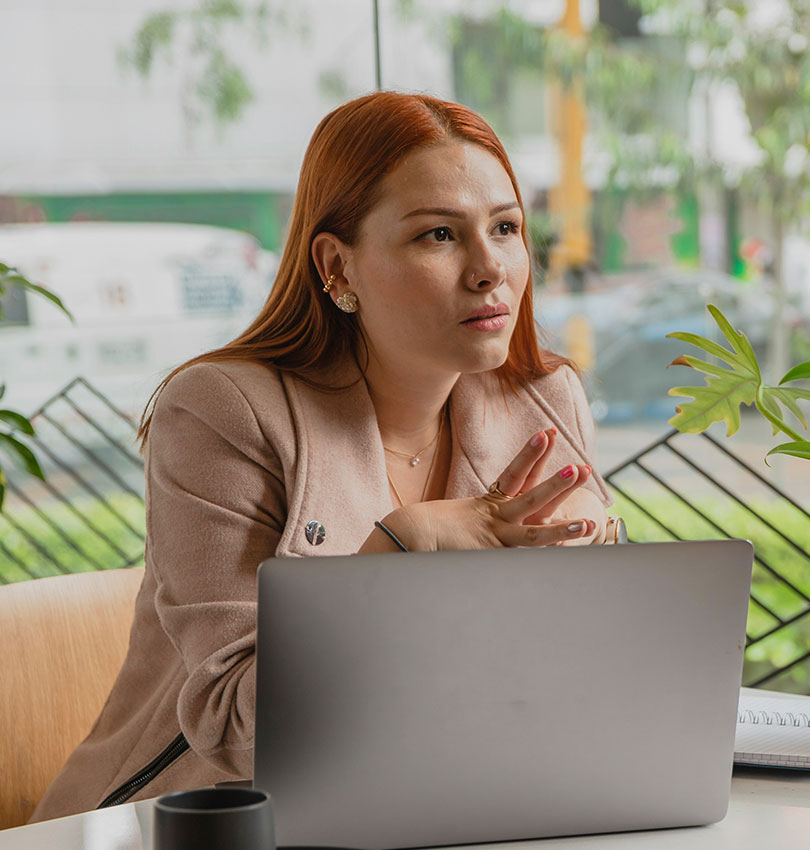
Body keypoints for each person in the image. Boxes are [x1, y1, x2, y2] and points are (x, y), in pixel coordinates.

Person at [31, 92, 612, 821]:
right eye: (438, 235)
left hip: (446, 803)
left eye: (506, 227)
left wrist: (599, 580)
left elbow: (580, 676)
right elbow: (241, 731)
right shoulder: (223, 413)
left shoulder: (545, 399)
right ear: (338, 266)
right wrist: (402, 548)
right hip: (193, 821)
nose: (490, 268)